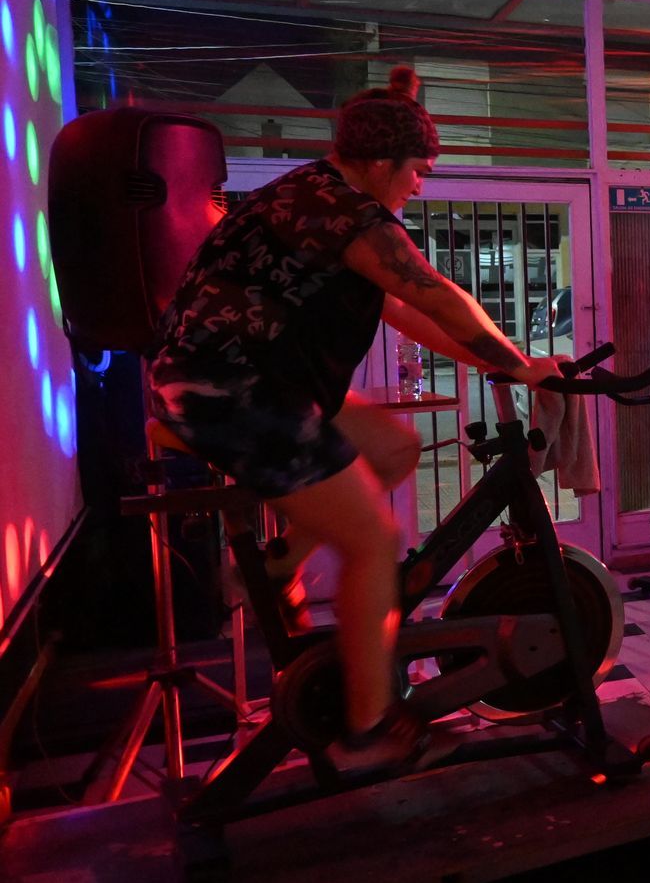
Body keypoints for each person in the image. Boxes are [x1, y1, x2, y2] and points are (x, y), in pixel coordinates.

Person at [147, 66, 564, 770]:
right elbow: (433, 295)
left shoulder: (317, 195)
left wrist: (498, 360)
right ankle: (365, 733)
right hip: (233, 394)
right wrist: (521, 366)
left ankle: (271, 570)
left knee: (395, 448)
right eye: (417, 170)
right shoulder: (345, 213)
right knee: (374, 538)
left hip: (245, 379)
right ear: (378, 162)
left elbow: (401, 307)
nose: (419, 184)